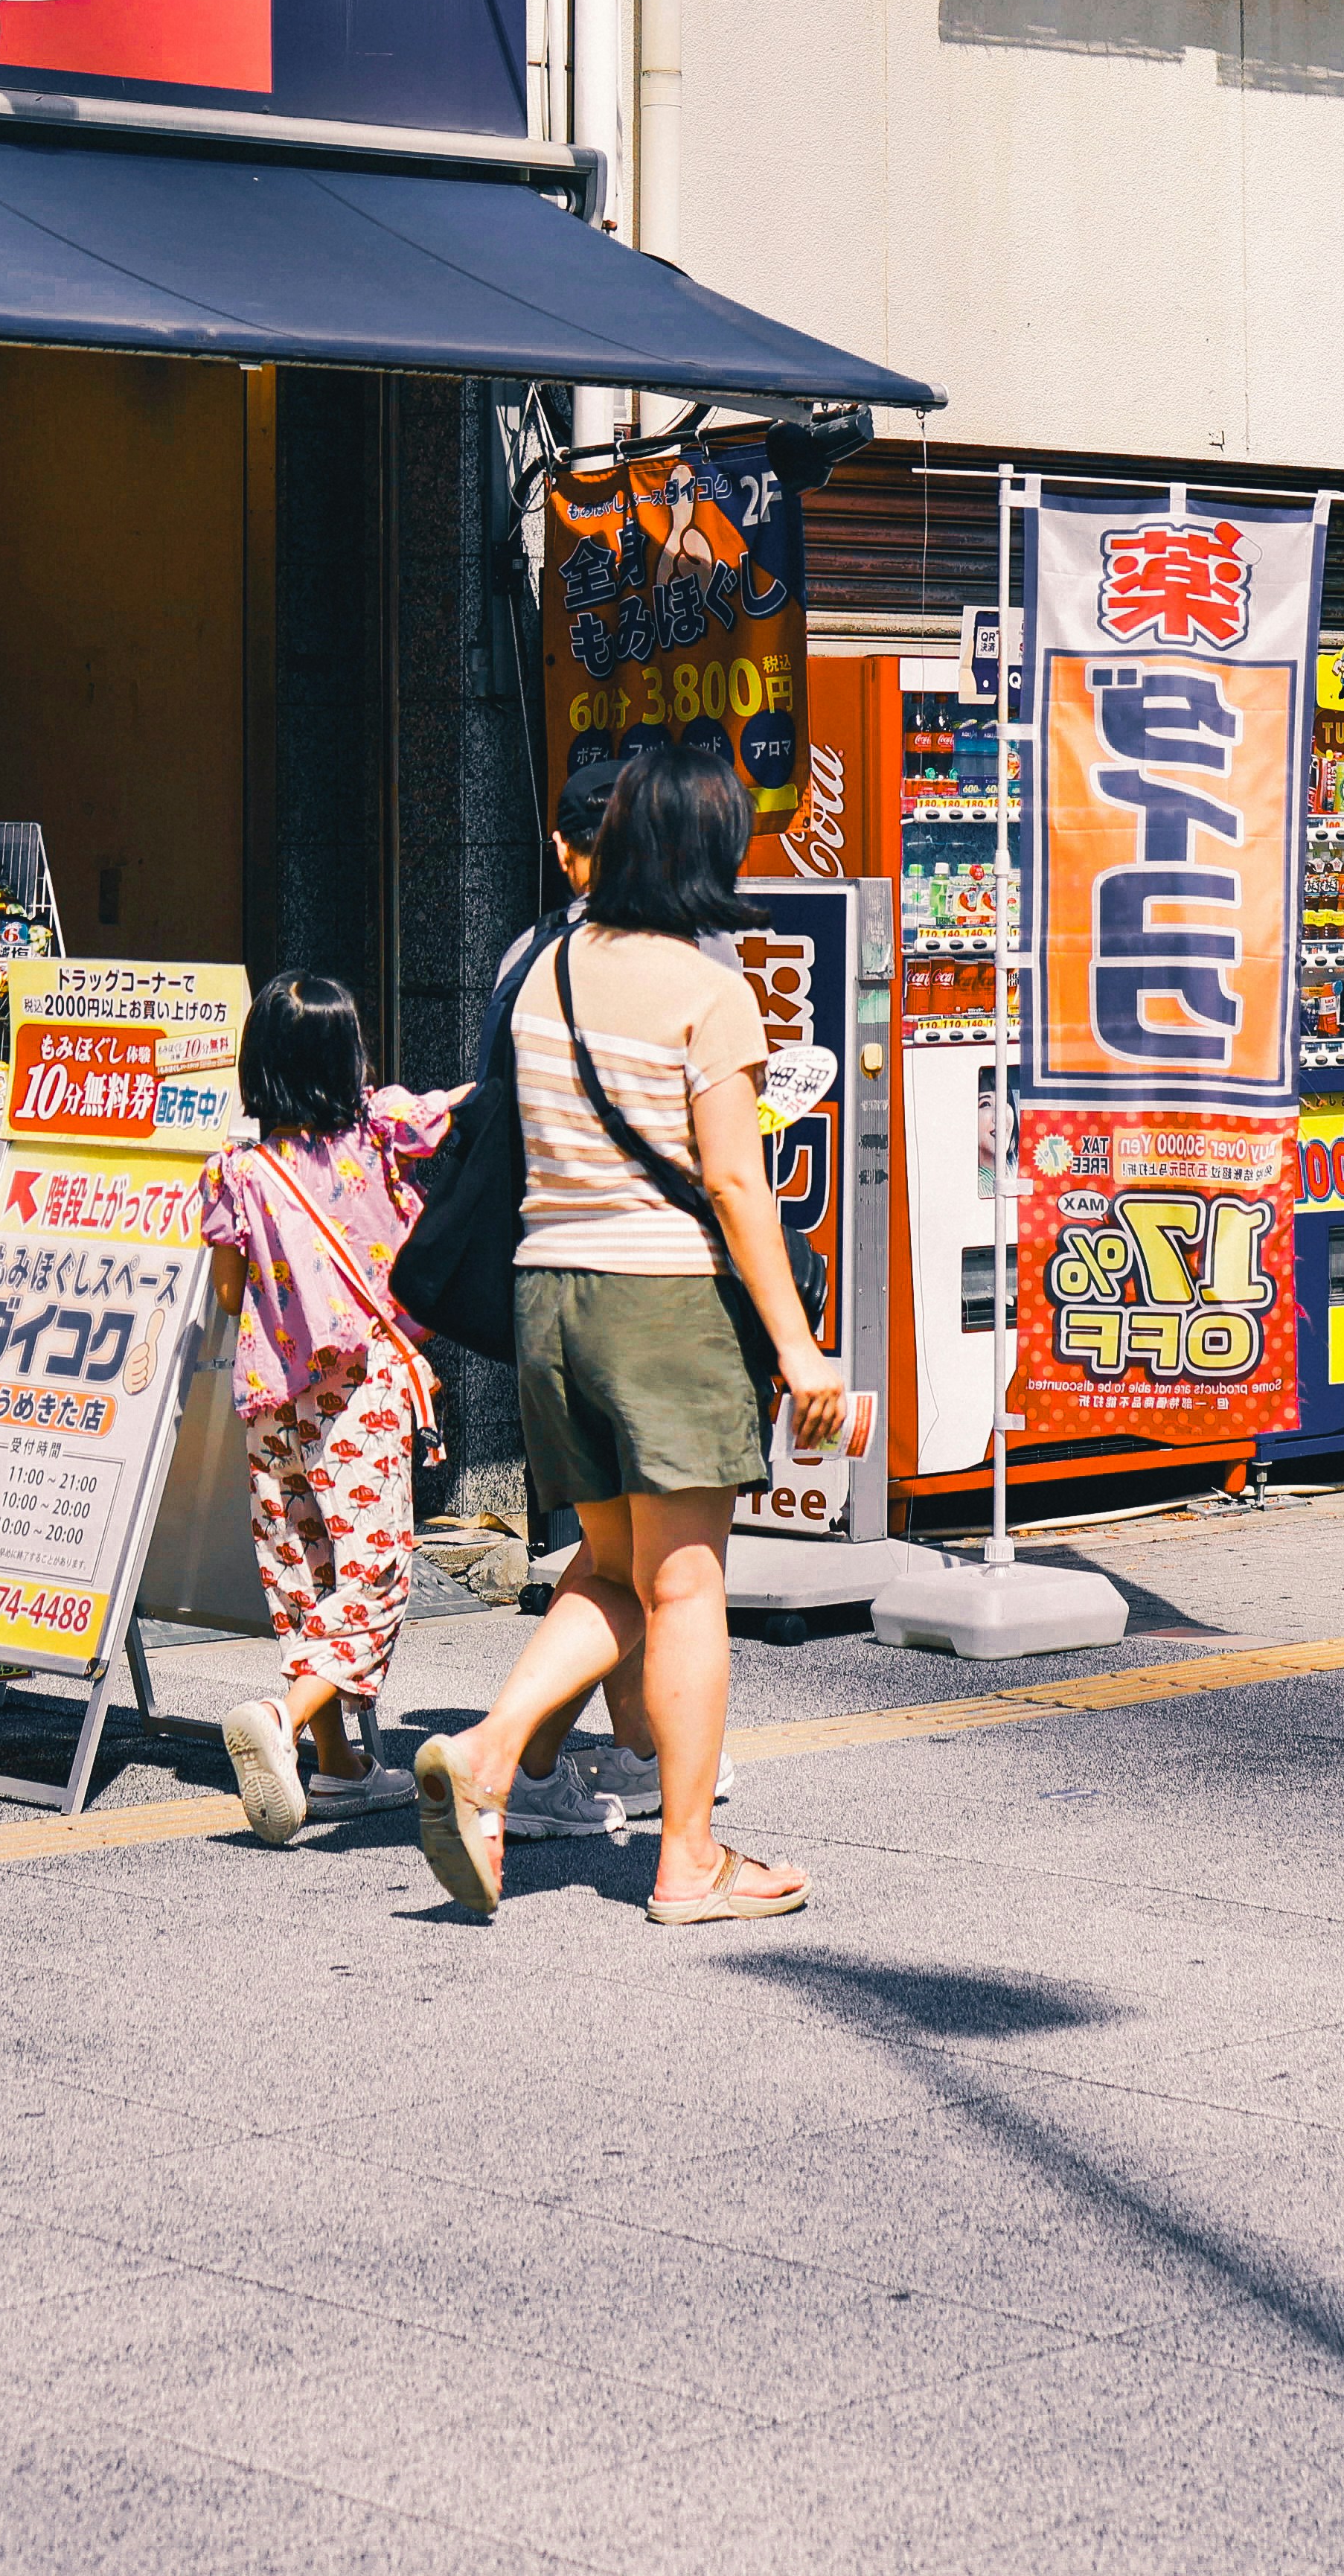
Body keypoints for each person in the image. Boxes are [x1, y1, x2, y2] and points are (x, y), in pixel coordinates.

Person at [415, 741, 868, 1924]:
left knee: (613, 1569)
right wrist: (803, 1349)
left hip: (548, 1297)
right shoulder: (709, 989)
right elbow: (734, 1181)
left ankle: (491, 1751)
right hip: (664, 1305)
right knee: (687, 1587)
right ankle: (690, 1862)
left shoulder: (548, 964)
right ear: (708, 848)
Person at [193, 974, 459, 1847]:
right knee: (373, 1572)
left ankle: (338, 1766)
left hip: (273, 1399)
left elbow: (229, 1293)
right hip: (359, 1392)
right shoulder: (376, 1142)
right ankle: (282, 1712)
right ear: (346, 1058)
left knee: (302, 1576)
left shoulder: (236, 1172)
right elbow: (433, 1118)